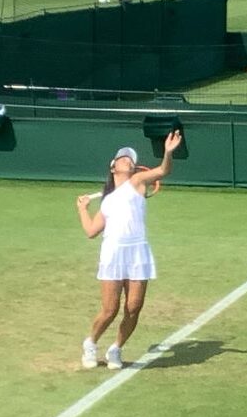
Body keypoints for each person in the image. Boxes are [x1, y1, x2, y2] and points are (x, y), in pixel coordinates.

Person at [76, 131, 182, 370]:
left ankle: (116, 348)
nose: (128, 160)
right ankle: (90, 343)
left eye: (131, 159)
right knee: (110, 310)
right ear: (113, 167)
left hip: (138, 252)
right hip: (113, 253)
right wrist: (83, 209)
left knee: (133, 307)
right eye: (123, 158)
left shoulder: (137, 183)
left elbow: (163, 171)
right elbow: (92, 231)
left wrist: (167, 152)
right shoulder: (106, 201)